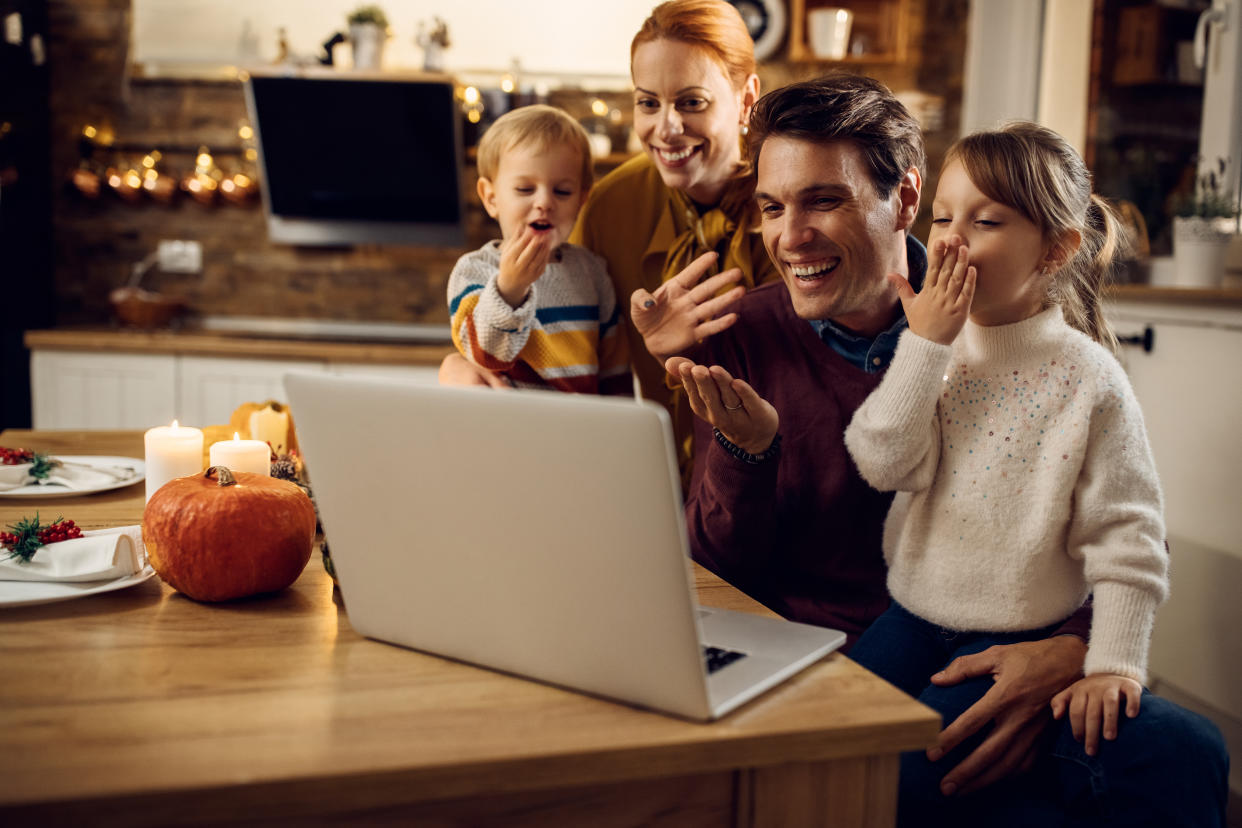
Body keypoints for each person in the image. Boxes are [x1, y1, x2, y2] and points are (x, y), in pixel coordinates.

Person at [665, 74, 1228, 826]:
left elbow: (1123, 531)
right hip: (850, 645)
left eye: (824, 200)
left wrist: (1073, 651)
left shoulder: (1012, 321)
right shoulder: (742, 330)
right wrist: (749, 452)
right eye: (772, 207)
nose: (789, 236)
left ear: (902, 200)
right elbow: (724, 561)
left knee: (1188, 753)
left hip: (1013, 634)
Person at [843, 121, 1170, 811]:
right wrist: (925, 348)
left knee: (918, 778)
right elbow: (881, 461)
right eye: (941, 216)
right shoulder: (935, 351)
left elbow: (1129, 540)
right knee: (825, 741)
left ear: (1055, 250)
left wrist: (1113, 665)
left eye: (985, 220)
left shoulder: (1090, 380)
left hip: (1011, 635)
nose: (950, 237)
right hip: (909, 618)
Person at [441, 0, 778, 471]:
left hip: (770, 488)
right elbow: (554, 319)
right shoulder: (612, 202)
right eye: (648, 102)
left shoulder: (786, 204)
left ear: (746, 98)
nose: (666, 128)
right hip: (650, 483)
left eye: (692, 102)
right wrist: (460, 366)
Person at [447, 105, 631, 395]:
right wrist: (509, 289)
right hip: (509, 429)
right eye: (524, 189)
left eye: (562, 191)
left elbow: (615, 370)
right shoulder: (474, 270)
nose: (544, 202)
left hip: (579, 431)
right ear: (491, 197)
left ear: (582, 200)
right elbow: (485, 355)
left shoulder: (593, 272)